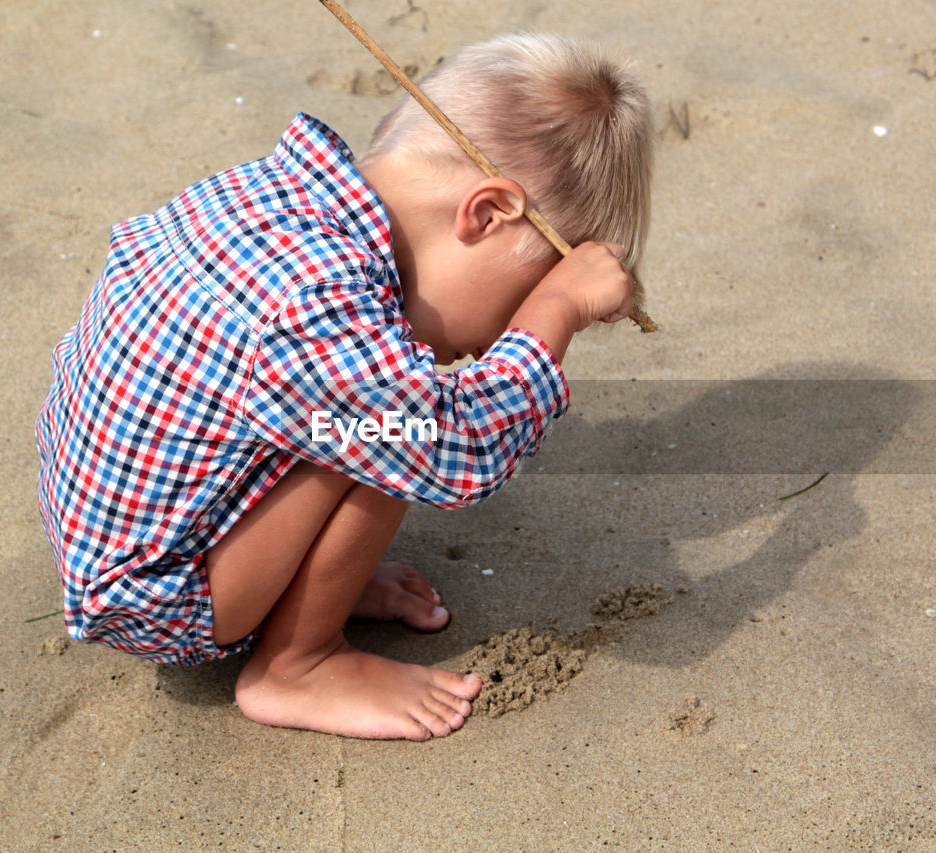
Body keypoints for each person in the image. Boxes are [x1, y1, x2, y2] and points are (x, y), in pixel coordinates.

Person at [35, 33, 654, 740]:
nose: (496, 335)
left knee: (369, 408)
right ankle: (298, 662)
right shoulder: (317, 302)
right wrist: (555, 312)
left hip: (117, 529)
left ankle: (303, 590)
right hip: (160, 594)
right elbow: (456, 446)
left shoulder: (279, 199)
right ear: (484, 214)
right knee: (402, 427)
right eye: (524, 292)